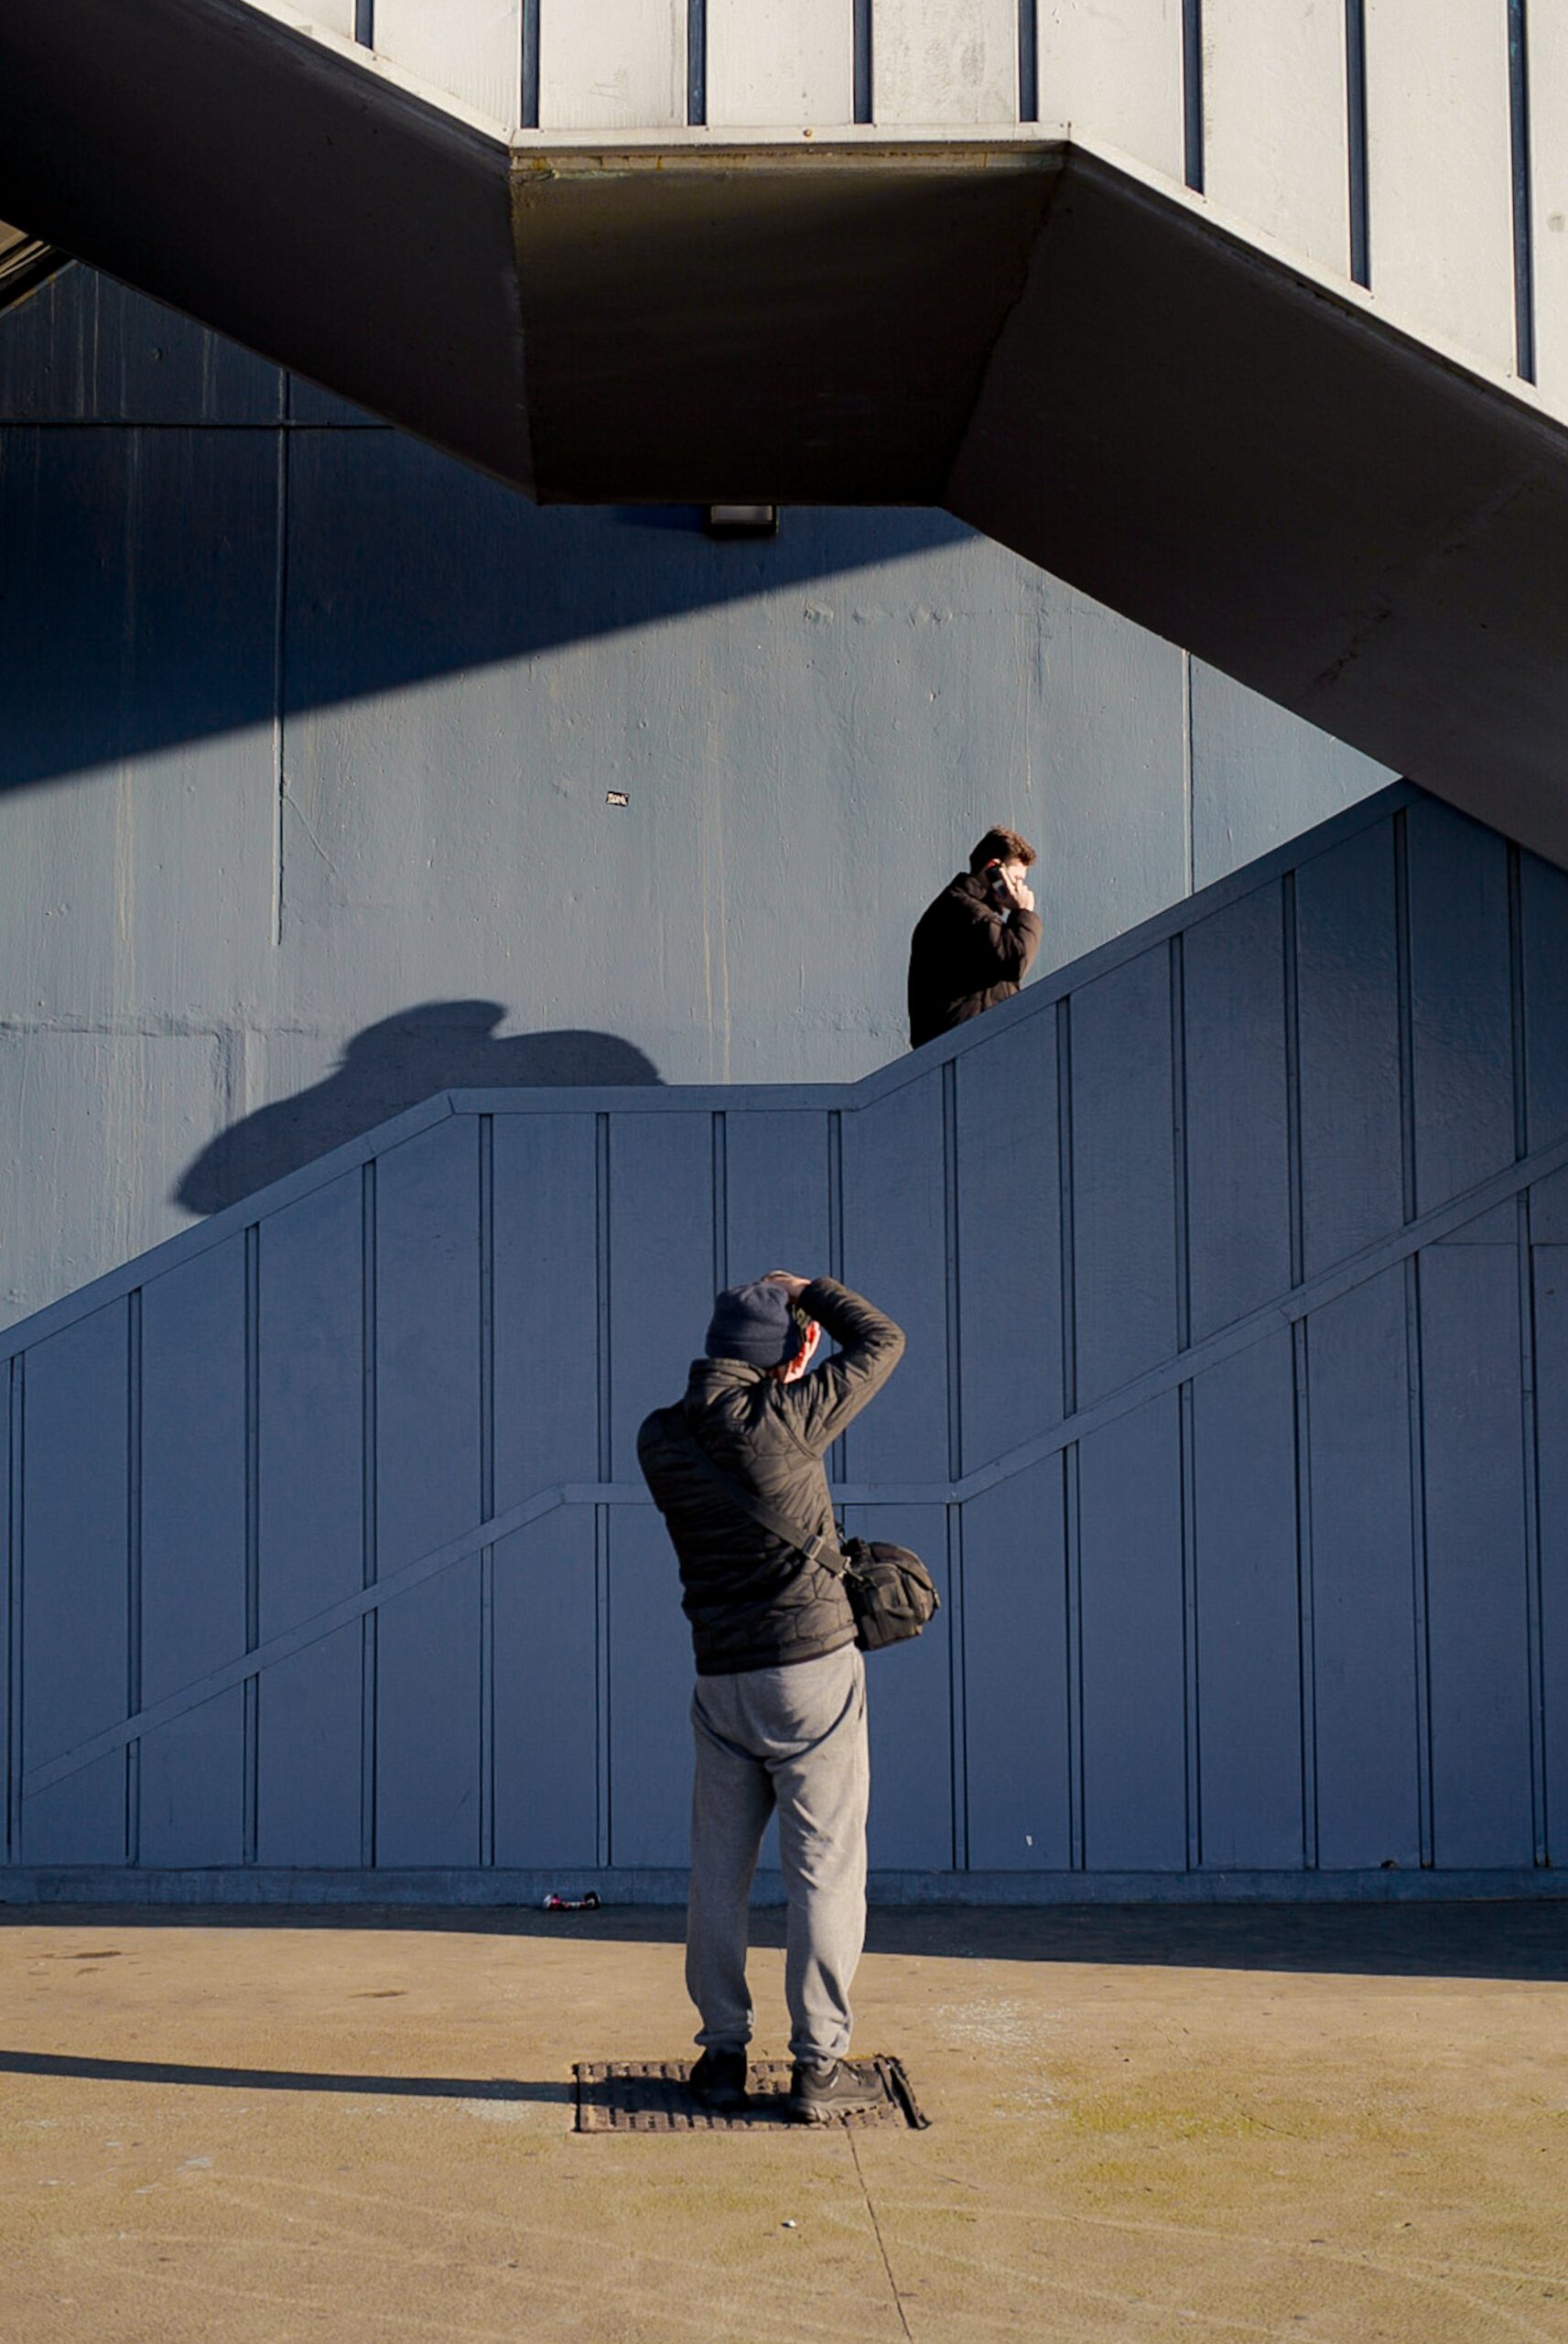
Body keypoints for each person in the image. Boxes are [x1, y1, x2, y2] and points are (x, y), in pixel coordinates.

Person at [637, 1269, 905, 2123]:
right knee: (824, 1869)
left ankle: (719, 2055)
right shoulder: (784, 1420)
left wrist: (782, 1346)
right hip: (810, 1674)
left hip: (721, 1679)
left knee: (718, 1870)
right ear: (785, 1359)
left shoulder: (659, 1439)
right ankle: (818, 2067)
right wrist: (816, 1293)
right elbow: (883, 1342)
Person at [907, 823, 1042, 1049]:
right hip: (959, 1049)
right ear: (993, 869)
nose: (1021, 888)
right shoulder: (965, 912)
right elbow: (1015, 960)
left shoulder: (973, 911)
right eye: (1016, 878)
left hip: (965, 1046)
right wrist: (1023, 912)